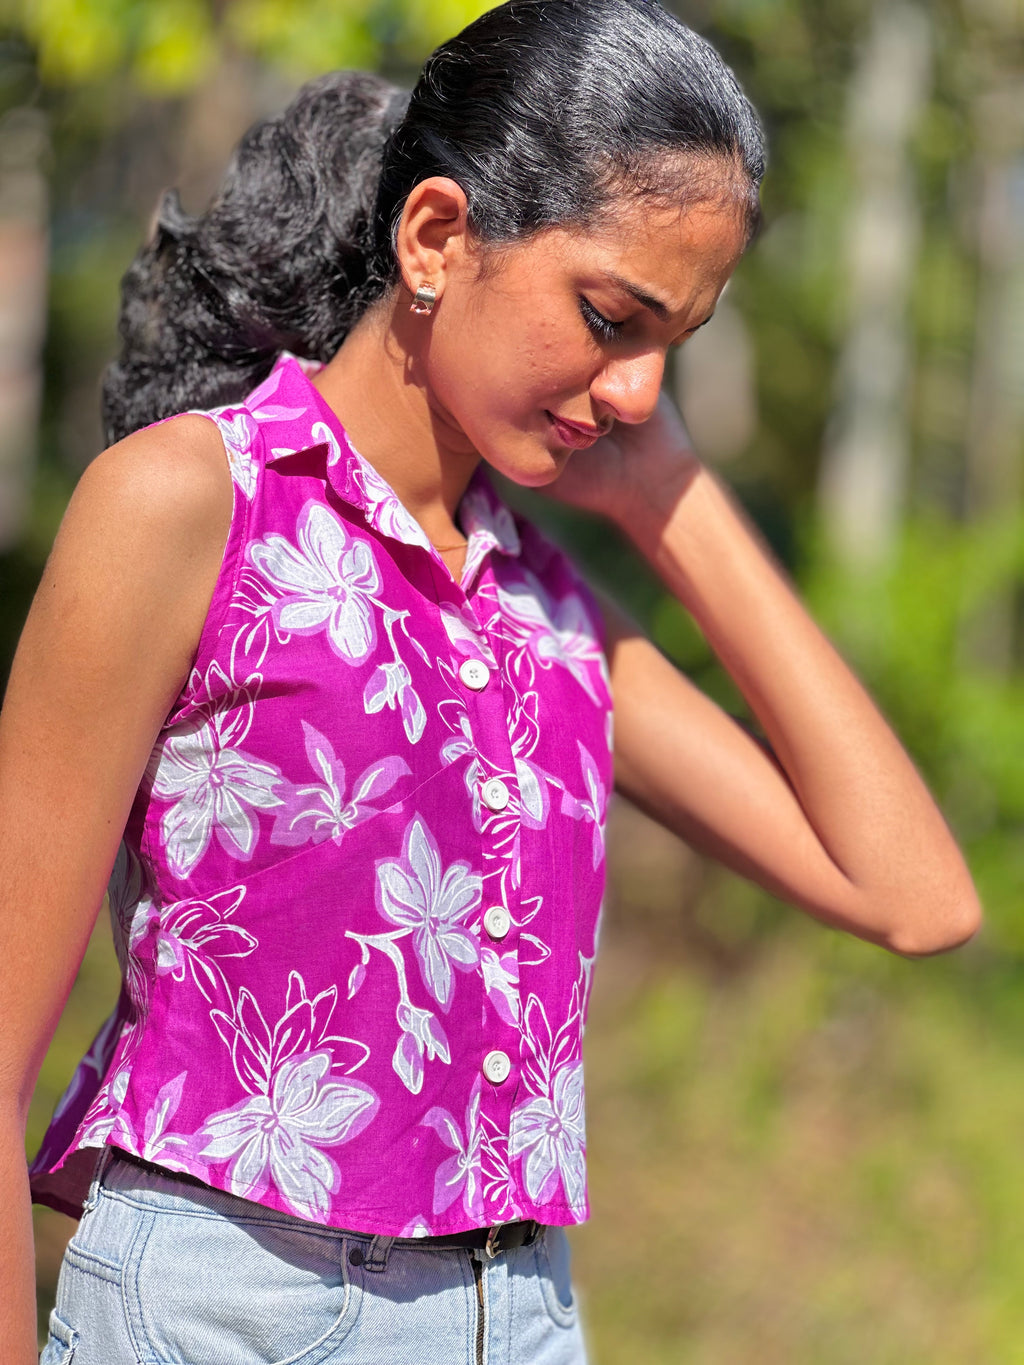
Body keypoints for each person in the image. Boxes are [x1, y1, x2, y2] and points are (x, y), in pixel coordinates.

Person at [0, 1, 980, 1361]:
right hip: (230, 1306)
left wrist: (667, 494)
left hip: (517, 1311)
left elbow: (916, 895)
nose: (638, 388)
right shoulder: (189, 505)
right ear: (438, 237)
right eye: (609, 316)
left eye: (672, 347)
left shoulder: (545, 612)